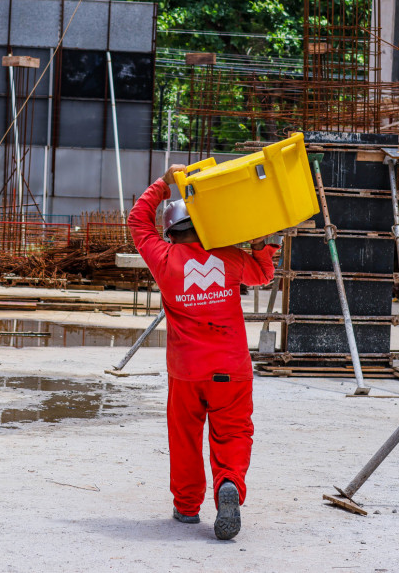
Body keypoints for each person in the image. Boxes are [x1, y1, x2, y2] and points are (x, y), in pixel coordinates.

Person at [127, 163, 278, 541]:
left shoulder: (163, 260)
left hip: (186, 371)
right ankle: (228, 483)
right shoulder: (228, 258)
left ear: (171, 230)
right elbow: (262, 274)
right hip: (232, 370)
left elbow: (136, 221)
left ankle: (187, 506)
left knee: (185, 438)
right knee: (233, 433)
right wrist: (265, 245)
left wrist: (163, 183)